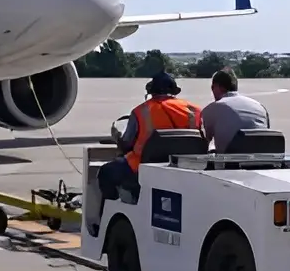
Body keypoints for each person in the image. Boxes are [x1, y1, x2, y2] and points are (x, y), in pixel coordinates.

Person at [86, 72, 203, 235]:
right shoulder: (194, 110)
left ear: (151, 90)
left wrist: (118, 138)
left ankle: (106, 220)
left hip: (142, 169)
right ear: (175, 91)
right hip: (184, 170)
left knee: (106, 172)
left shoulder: (141, 111)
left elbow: (127, 144)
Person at [200, 68, 270, 153]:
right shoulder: (260, 107)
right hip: (263, 157)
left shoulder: (212, 109)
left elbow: (203, 144)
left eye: (212, 87)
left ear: (219, 87)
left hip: (231, 159)